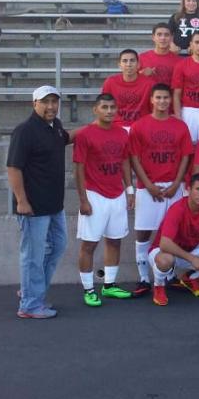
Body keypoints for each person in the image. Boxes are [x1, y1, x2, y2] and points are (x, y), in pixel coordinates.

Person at [7, 85, 75, 319]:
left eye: (54, 102)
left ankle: (31, 291)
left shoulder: (54, 127)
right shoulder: (24, 131)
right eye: (45, 102)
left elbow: (66, 138)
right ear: (34, 103)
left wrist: (98, 127)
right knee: (33, 256)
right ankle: (29, 305)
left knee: (58, 246)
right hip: (33, 207)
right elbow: (13, 168)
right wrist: (21, 201)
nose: (50, 106)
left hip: (55, 204)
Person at [129, 83, 193, 297]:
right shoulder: (139, 126)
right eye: (159, 97)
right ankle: (143, 278)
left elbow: (185, 156)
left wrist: (177, 183)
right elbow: (134, 158)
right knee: (144, 232)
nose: (163, 101)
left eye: (166, 97)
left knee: (172, 234)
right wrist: (147, 184)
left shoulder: (180, 126)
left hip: (174, 186)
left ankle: (169, 275)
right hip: (148, 186)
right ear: (152, 100)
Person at [73, 93, 134, 307]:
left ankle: (109, 285)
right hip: (94, 195)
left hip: (117, 194)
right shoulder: (85, 135)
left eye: (112, 107)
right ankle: (89, 289)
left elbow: (125, 161)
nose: (109, 111)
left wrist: (130, 190)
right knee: (89, 244)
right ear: (95, 110)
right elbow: (78, 169)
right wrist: (83, 199)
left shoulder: (122, 133)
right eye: (105, 107)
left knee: (114, 240)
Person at [148, 174, 199, 306]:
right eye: (198, 189)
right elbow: (165, 244)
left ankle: (191, 277)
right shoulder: (177, 209)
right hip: (165, 252)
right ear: (189, 189)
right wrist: (192, 259)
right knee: (165, 260)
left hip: (190, 250)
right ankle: (159, 286)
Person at [101, 49, 153, 129]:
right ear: (119, 65)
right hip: (116, 126)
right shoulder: (110, 82)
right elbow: (103, 107)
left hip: (141, 127)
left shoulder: (149, 84)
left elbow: (153, 110)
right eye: (125, 61)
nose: (128, 64)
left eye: (132, 60)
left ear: (138, 64)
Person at [139, 22, 179, 87]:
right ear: (153, 37)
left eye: (166, 35)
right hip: (147, 96)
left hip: (170, 96)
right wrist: (141, 74)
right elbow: (131, 79)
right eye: (159, 34)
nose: (163, 38)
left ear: (171, 38)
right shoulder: (142, 57)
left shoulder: (179, 61)